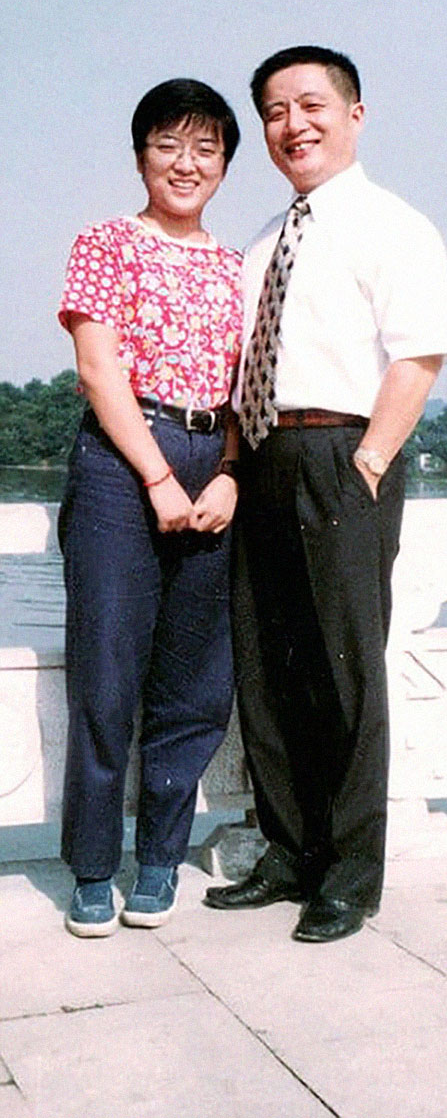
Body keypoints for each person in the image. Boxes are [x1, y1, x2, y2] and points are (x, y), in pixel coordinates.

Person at [205, 46, 447, 942]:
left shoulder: (396, 226)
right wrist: (234, 466)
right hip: (264, 458)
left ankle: (350, 874)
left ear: (355, 113)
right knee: (267, 666)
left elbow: (418, 355)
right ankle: (288, 851)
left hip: (344, 453)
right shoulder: (262, 242)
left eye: (310, 104)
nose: (292, 125)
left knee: (346, 670)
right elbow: (240, 371)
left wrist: (370, 462)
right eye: (274, 111)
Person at [58, 79, 243, 937]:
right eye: (170, 144)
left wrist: (230, 473)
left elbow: (252, 390)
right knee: (106, 672)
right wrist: (158, 478)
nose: (186, 163)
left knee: (194, 680)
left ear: (224, 168)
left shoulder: (238, 267)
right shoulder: (104, 243)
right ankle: (94, 869)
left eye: (206, 149)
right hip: (121, 465)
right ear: (141, 155)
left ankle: (160, 860)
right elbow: (101, 372)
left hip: (215, 464)